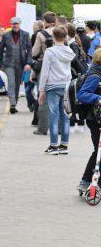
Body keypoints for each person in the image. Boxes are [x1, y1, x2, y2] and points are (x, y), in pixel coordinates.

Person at [38, 26, 75, 155]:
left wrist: (41, 90)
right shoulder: (69, 51)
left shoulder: (50, 52)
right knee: (65, 116)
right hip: (66, 85)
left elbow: (45, 72)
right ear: (65, 37)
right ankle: (64, 145)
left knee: (54, 115)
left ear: (53, 37)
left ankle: (53, 146)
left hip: (52, 86)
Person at [0, 17, 32, 114]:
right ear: (11, 24)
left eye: (17, 23)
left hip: (21, 63)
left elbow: (29, 50)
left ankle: (14, 103)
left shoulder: (25, 34)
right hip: (8, 64)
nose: (15, 25)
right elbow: (0, 51)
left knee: (17, 85)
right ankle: (12, 104)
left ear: (19, 24)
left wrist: (28, 63)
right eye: (14, 24)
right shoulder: (6, 35)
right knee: (11, 83)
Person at [76, 49, 101, 191]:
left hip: (97, 117)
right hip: (95, 119)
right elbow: (82, 94)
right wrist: (98, 98)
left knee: (98, 151)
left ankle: (87, 181)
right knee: (99, 151)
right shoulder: (95, 75)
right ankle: (86, 181)